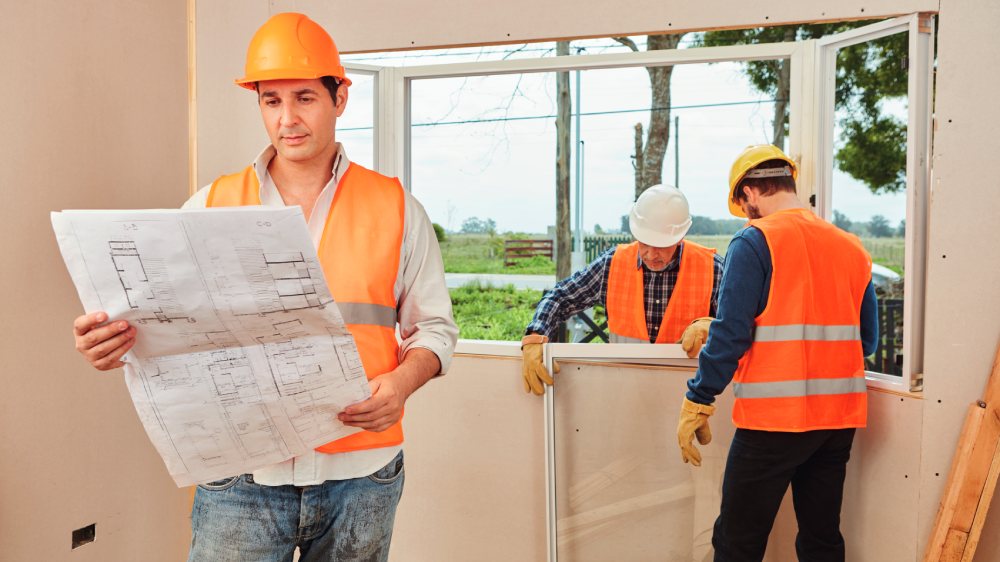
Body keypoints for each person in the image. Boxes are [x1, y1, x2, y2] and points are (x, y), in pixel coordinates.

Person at [70, 13, 457, 561]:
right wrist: (111, 342)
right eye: (271, 101)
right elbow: (162, 327)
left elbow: (435, 330)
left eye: (304, 97)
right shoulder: (207, 206)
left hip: (361, 474)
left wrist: (401, 383)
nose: (287, 119)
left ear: (339, 97)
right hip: (239, 480)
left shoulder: (395, 207)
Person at [677, 144, 879, 562]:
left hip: (773, 423)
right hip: (837, 421)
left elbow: (733, 335)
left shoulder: (754, 241)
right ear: (788, 182)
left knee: (737, 541)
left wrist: (699, 396)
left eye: (742, 203)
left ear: (750, 193)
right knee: (822, 540)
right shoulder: (851, 247)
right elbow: (868, 341)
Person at [521, 184, 725, 394]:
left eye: (662, 246)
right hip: (625, 394)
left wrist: (717, 326)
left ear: (680, 236)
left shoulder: (713, 268)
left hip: (688, 396)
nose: (651, 254)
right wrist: (536, 335)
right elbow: (560, 297)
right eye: (645, 243)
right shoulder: (612, 264)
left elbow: (742, 326)